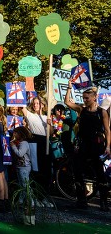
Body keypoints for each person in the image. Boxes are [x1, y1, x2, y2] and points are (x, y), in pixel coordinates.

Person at [64, 83, 111, 211]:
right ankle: (81, 200)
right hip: (82, 144)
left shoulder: (102, 112)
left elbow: (107, 130)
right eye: (83, 98)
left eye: (87, 98)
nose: (84, 100)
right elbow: (67, 102)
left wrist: (108, 147)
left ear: (94, 97)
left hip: (96, 145)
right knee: (78, 171)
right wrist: (69, 87)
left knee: (100, 173)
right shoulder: (81, 109)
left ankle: (103, 202)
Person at [21, 96, 53, 208]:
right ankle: (36, 197)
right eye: (34, 103)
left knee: (47, 171)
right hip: (35, 142)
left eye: (38, 103)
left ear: (42, 105)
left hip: (45, 142)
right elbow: (22, 107)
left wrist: (49, 124)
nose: (35, 105)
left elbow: (51, 132)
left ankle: (44, 196)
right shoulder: (30, 115)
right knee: (36, 170)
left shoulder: (46, 117)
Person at [10, 126, 32, 204]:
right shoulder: (21, 143)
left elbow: (20, 154)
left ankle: (30, 201)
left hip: (24, 167)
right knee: (21, 184)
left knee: (25, 184)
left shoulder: (24, 143)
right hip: (20, 166)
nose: (14, 134)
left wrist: (13, 146)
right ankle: (21, 200)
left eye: (15, 133)